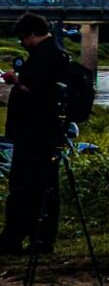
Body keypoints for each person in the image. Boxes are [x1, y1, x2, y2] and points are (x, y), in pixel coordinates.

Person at [0, 13, 70, 256]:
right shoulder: (54, 53)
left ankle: (15, 240)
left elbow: (37, 90)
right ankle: (39, 240)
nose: (22, 43)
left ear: (31, 33)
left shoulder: (46, 56)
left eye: (22, 38)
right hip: (44, 133)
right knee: (44, 187)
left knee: (25, 187)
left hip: (35, 134)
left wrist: (16, 80)